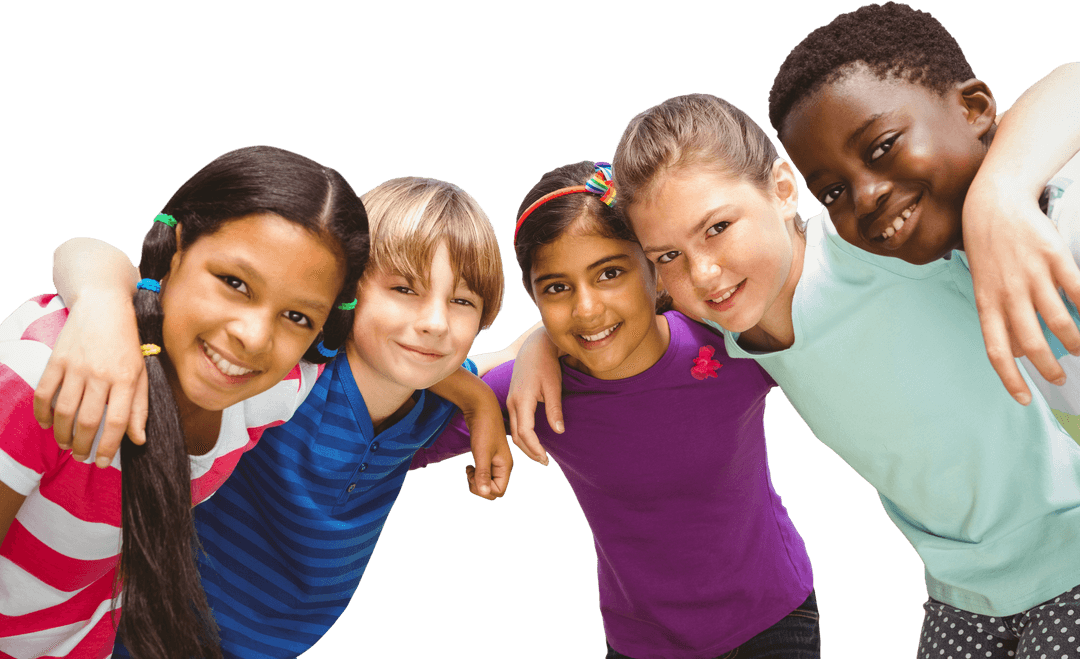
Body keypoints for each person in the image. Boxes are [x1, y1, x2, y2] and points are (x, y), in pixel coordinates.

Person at [510, 22, 1080, 655]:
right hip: (965, 591)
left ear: (783, 190)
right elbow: (610, 312)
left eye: (719, 227)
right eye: (666, 254)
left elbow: (1069, 85)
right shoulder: (714, 326)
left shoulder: (876, 242)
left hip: (1069, 556)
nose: (702, 271)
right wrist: (539, 340)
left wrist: (999, 192)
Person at [42, 175, 513, 658]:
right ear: (343, 291)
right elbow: (83, 252)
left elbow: (521, 356)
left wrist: (478, 394)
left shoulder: (431, 404)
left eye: (461, 301)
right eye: (403, 288)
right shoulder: (280, 373)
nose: (435, 322)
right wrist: (99, 305)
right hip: (146, 635)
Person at [414, 161, 818, 659]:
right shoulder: (532, 391)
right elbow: (391, 431)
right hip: (643, 644)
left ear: (655, 269)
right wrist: (491, 376)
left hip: (773, 618)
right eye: (557, 288)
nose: (586, 309)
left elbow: (807, 293)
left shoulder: (724, 339)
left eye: (610, 273)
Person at [0, 144, 369, 659]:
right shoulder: (48, 379)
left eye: (298, 317)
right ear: (176, 250)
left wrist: (512, 367)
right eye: (235, 283)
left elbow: (413, 349)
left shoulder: (275, 388)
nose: (255, 337)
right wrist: (101, 296)